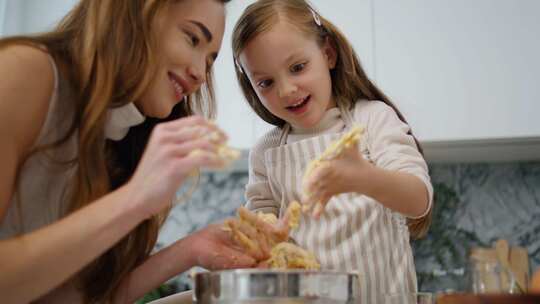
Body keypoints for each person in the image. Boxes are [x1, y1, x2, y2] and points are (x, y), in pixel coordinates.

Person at [0, 0, 257, 303]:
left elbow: (75, 297)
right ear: (134, 14)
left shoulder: (123, 134)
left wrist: (192, 249)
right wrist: (135, 199)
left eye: (210, 61)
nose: (201, 74)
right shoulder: (23, 72)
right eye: (192, 39)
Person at [231, 0, 434, 302]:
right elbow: (262, 229)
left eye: (298, 68)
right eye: (266, 82)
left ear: (328, 53)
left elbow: (419, 201)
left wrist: (363, 178)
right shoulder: (266, 151)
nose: (286, 89)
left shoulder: (372, 119)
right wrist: (259, 238)